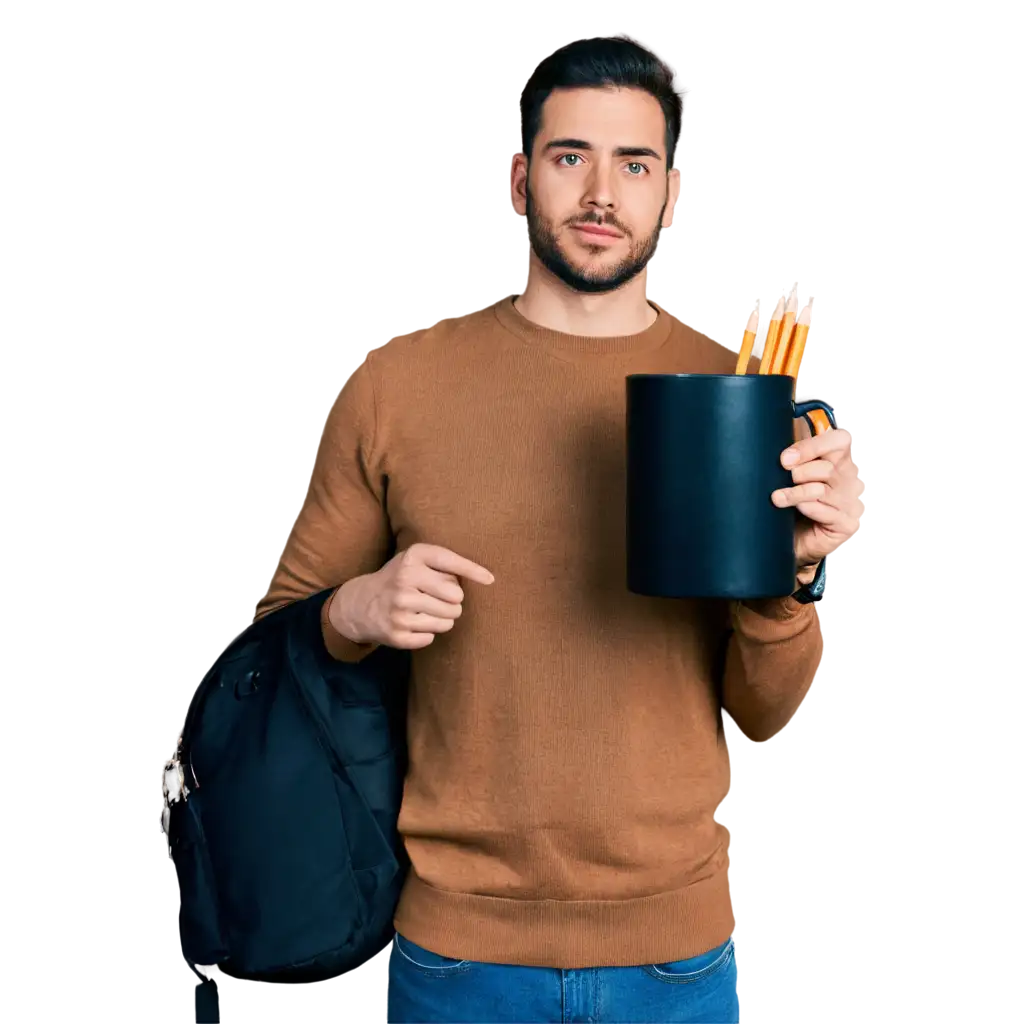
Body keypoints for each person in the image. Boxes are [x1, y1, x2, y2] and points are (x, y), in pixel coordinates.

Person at [253, 32, 861, 1024]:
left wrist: (794, 578)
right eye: (569, 156)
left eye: (635, 163)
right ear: (516, 179)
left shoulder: (741, 396)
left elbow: (765, 709)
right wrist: (357, 606)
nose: (600, 194)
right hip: (454, 955)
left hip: (676, 961)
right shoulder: (394, 382)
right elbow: (274, 644)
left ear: (673, 193)